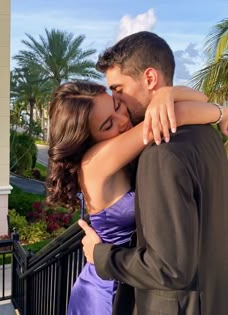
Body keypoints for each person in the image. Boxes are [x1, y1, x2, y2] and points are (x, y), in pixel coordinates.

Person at [78, 31, 228, 315]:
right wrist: (216, 110)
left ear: (149, 78)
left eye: (118, 90)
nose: (117, 102)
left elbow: (170, 268)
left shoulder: (161, 154)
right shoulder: (206, 133)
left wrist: (100, 255)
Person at [47, 81, 227, 315]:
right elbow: (180, 113)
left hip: (131, 277)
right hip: (106, 289)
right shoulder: (95, 161)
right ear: (87, 139)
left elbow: (199, 97)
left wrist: (166, 93)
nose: (122, 119)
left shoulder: (123, 147)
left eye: (116, 105)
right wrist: (222, 114)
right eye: (108, 124)